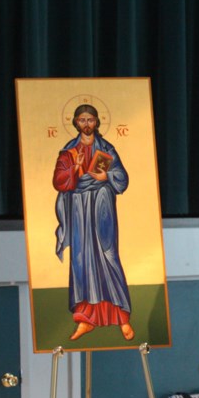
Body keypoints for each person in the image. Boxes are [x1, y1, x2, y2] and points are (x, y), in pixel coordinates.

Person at [53, 104, 134, 342]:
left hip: (101, 205)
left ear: (97, 122)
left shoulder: (107, 149)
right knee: (81, 259)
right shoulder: (68, 151)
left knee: (107, 255)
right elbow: (59, 181)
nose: (86, 124)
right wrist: (75, 168)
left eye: (90, 119)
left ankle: (121, 317)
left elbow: (122, 178)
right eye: (82, 120)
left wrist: (105, 176)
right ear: (76, 123)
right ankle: (84, 320)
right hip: (78, 207)